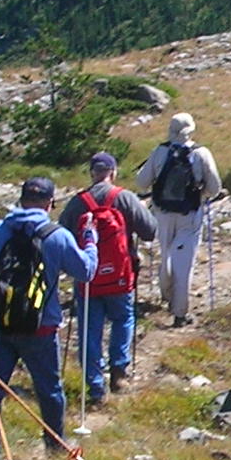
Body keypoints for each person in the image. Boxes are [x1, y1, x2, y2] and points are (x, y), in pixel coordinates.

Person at [0, 175, 96, 460]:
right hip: (41, 326)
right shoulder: (57, 236)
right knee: (49, 390)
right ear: (50, 203)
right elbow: (86, 271)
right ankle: (54, 445)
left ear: (21, 199)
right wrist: (90, 241)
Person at [60, 151, 155, 406]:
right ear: (113, 172)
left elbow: (62, 236)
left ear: (92, 173)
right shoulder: (124, 198)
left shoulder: (78, 203)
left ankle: (95, 386)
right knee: (123, 319)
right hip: (120, 276)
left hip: (88, 278)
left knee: (89, 329)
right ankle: (119, 373)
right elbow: (150, 231)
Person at [133, 113, 223, 326]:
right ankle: (180, 313)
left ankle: (166, 294)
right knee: (184, 262)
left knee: (166, 254)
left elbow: (141, 182)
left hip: (162, 213)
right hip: (189, 214)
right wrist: (200, 193)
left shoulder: (160, 151)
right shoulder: (201, 153)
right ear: (191, 130)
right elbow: (215, 188)